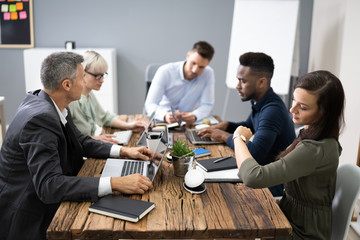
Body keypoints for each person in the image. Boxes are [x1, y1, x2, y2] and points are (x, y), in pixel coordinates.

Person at [0, 52, 154, 240]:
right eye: (82, 78)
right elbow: (49, 186)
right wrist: (115, 183)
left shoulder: (53, 103)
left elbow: (80, 141)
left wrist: (124, 151)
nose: (85, 83)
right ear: (66, 84)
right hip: (28, 213)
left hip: (46, 195)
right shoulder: (40, 119)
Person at [234, 70, 344, 239]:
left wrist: (238, 139)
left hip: (302, 233)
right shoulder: (309, 133)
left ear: (325, 113)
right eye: (294, 100)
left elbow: (253, 177)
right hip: (288, 218)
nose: (292, 109)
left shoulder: (315, 149)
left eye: (303, 107)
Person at [198, 52, 295, 196]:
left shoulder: (272, 111)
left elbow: (254, 153)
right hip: (260, 175)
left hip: (273, 187)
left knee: (217, 193)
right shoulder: (261, 102)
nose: (237, 86)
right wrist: (226, 125)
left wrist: (225, 136)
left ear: (262, 82)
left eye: (243, 81)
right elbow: (248, 126)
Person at [69, 50, 146, 145]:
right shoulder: (72, 101)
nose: (101, 80)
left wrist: (128, 126)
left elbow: (104, 117)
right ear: (83, 72)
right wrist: (95, 138)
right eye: (97, 75)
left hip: (89, 145)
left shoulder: (89, 94)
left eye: (103, 75)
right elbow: (69, 139)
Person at [144, 41, 215, 126]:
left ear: (207, 64)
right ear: (188, 56)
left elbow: (207, 104)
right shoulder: (165, 71)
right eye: (193, 63)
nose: (195, 70)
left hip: (188, 123)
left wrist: (195, 115)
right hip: (162, 120)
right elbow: (150, 104)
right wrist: (164, 115)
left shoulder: (208, 73)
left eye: (201, 67)